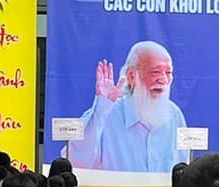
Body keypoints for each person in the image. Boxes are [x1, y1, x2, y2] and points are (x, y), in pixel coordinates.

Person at [76, 40, 188, 174]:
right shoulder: (107, 113)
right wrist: (101, 109)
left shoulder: (174, 114)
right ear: (131, 76)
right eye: (155, 72)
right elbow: (76, 160)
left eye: (168, 72)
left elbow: (183, 168)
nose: (163, 80)